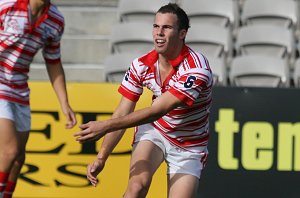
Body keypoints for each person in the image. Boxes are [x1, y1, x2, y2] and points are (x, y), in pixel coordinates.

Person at [74, 3, 213, 198]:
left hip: (189, 144)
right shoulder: (141, 65)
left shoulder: (196, 69)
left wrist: (105, 125)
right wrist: (101, 157)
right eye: (156, 26)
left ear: (182, 33)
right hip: (156, 131)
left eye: (167, 27)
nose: (159, 33)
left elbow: (159, 109)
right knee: (136, 188)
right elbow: (123, 111)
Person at [0, 0, 77, 197]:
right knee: (9, 151)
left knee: (18, 158)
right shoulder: (6, 6)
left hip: (20, 89)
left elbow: (53, 62)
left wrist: (64, 102)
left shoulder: (55, 20)